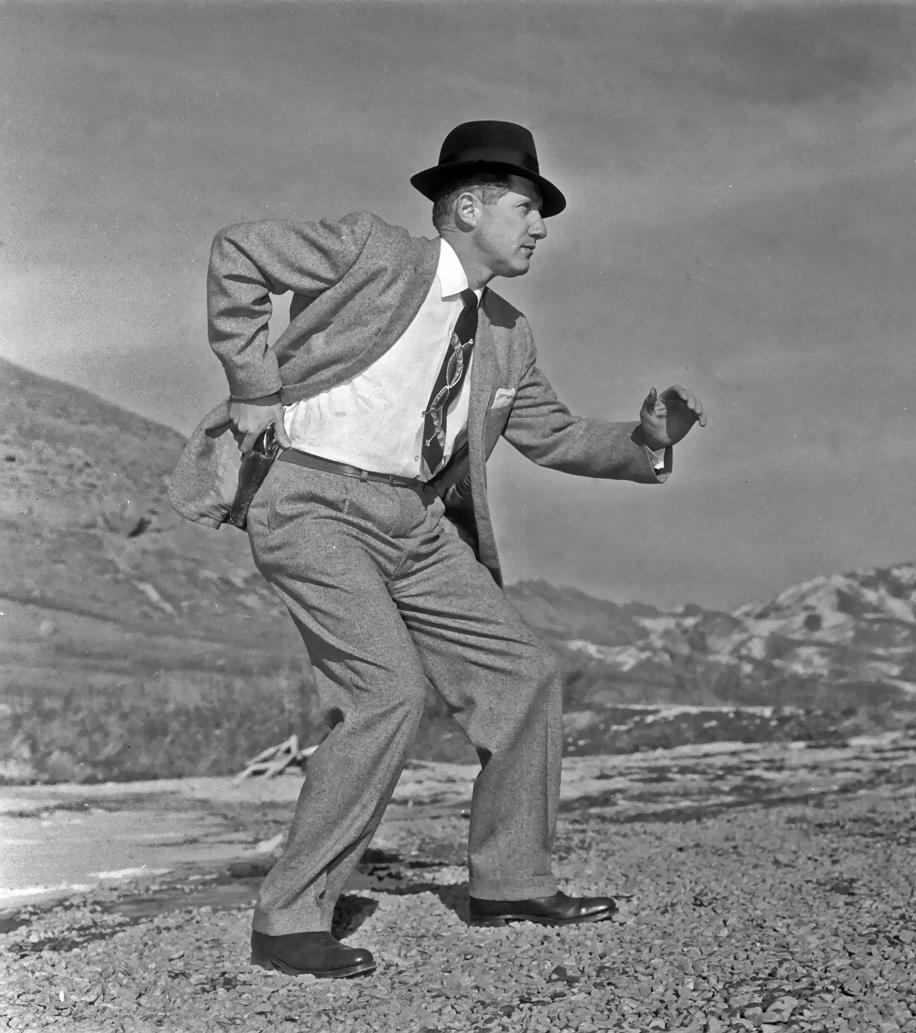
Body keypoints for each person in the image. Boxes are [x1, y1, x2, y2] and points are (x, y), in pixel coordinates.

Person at [169, 120, 706, 980]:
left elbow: (553, 435)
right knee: (386, 689)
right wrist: (253, 386)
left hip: (414, 522)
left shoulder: (507, 333)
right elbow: (238, 252)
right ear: (466, 206)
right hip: (310, 497)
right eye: (528, 208)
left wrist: (645, 441)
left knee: (523, 674)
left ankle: (511, 881)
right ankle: (291, 917)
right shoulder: (373, 251)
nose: (540, 227)